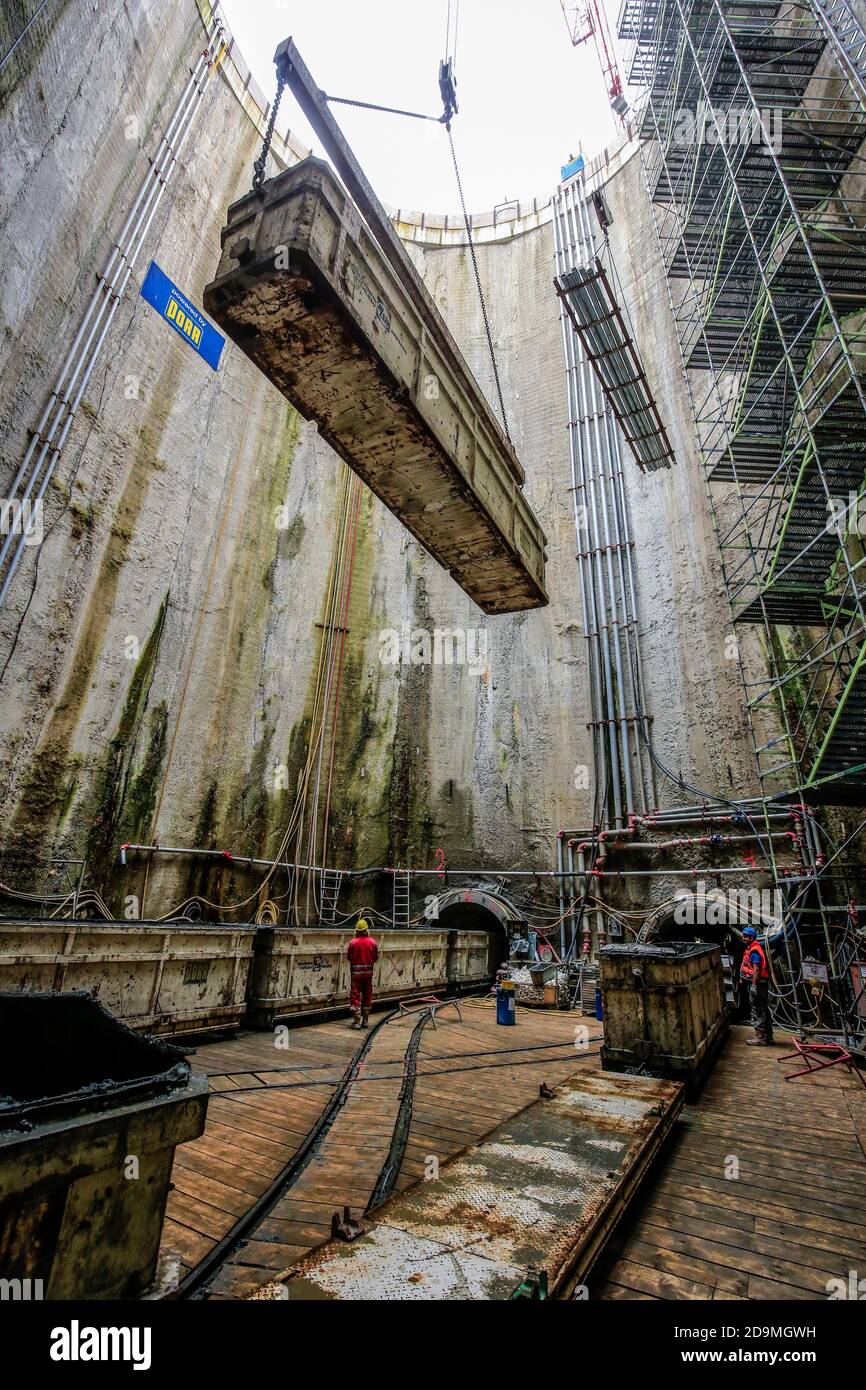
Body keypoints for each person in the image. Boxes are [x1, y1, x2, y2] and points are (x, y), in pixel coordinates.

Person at [739, 925, 774, 1045]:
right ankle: (768, 1037)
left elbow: (757, 970)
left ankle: (760, 1037)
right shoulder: (753, 948)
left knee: (758, 1010)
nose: (743, 938)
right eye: (743, 936)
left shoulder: (754, 951)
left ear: (752, 937)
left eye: (746, 936)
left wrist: (753, 986)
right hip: (760, 984)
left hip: (759, 984)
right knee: (763, 1009)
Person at [347, 917, 379, 1029]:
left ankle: (356, 1022)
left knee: (355, 996)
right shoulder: (373, 942)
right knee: (367, 996)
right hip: (368, 975)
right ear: (367, 930)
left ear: (356, 931)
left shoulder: (353, 943)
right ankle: (365, 1021)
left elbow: (349, 957)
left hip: (356, 975)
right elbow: (376, 958)